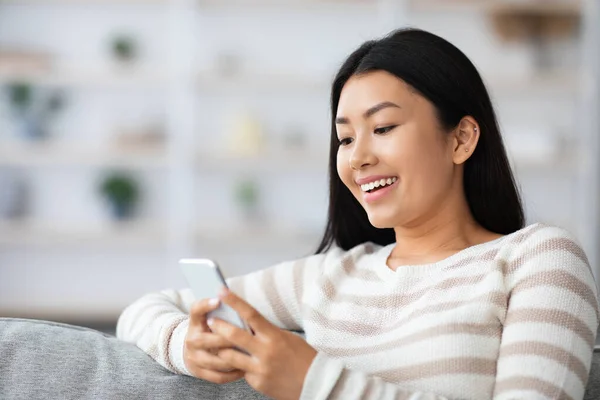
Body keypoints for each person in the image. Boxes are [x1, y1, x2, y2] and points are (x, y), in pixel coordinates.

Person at [116, 28, 600, 400]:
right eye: (345, 138)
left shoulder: (539, 261)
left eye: (383, 127)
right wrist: (185, 344)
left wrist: (314, 382)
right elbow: (144, 309)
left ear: (461, 138)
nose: (357, 157)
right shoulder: (329, 277)